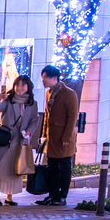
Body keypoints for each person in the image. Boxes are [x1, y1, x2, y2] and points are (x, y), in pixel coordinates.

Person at [0, 76, 40, 205]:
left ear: (28, 87)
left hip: (19, 140)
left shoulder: (32, 103)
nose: (19, 88)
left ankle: (9, 197)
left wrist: (29, 131)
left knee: (13, 168)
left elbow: (34, 119)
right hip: (2, 137)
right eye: (17, 85)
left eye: (23, 85)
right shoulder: (8, 99)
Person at [38, 66, 78, 205]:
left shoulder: (69, 94)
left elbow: (73, 117)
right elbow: (47, 116)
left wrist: (67, 137)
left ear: (54, 78)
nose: (43, 80)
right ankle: (53, 194)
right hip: (51, 138)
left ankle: (62, 196)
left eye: (45, 77)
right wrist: (43, 135)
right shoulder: (49, 93)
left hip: (63, 138)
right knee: (52, 167)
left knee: (64, 167)